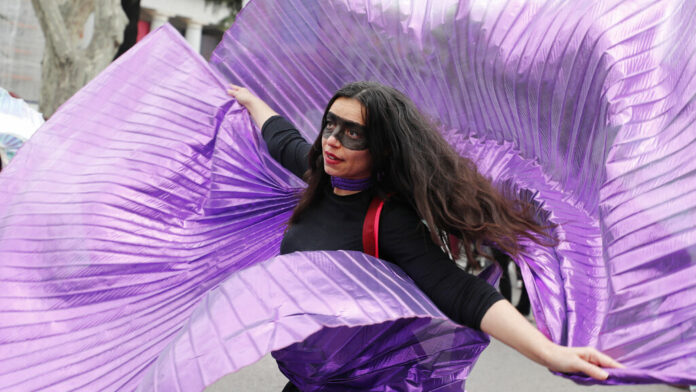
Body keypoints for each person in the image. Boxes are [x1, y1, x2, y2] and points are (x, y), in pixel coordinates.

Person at [228, 81, 622, 390]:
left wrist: (549, 353)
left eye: (353, 134)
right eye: (330, 124)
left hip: (362, 384)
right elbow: (282, 139)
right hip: (306, 379)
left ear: (381, 149)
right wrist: (248, 100)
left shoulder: (386, 220)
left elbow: (463, 292)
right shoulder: (320, 174)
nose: (332, 139)